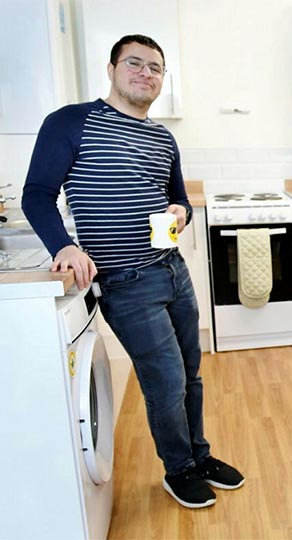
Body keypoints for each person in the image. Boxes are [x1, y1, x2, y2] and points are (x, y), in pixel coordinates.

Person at [22, 34, 243, 509]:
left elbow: (179, 199)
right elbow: (36, 194)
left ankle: (199, 457)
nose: (146, 74)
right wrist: (63, 245)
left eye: (155, 68)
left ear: (163, 80)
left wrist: (181, 214)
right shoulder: (71, 123)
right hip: (125, 283)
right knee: (166, 381)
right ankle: (178, 469)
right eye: (135, 64)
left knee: (190, 373)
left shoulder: (163, 138)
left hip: (172, 270)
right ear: (112, 69)